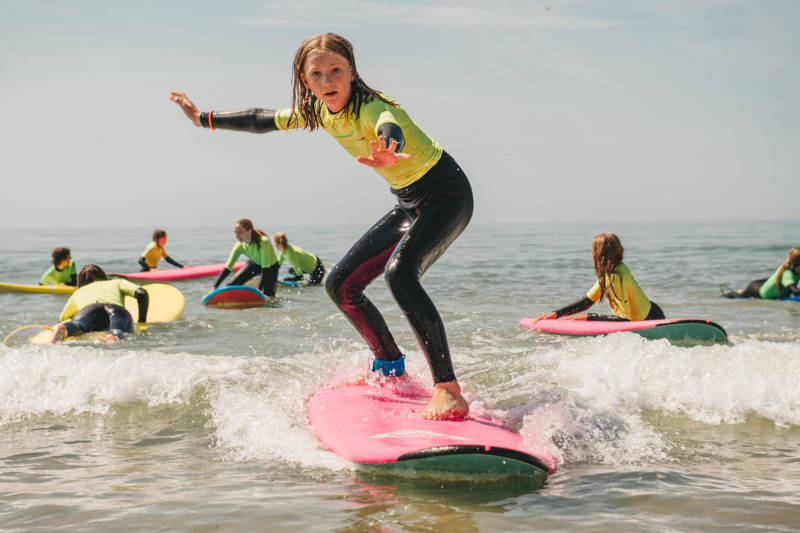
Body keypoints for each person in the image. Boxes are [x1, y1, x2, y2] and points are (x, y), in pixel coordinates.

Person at [170, 33, 473, 420]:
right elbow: (262, 119)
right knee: (340, 285)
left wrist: (389, 147)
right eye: (318, 74)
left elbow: (388, 125)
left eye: (336, 71)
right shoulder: (316, 111)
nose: (328, 80)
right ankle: (390, 368)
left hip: (447, 194)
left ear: (351, 73)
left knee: (400, 274)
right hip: (410, 203)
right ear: (304, 79)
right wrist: (202, 119)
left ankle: (447, 389)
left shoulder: (372, 107)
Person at [534, 232, 665, 323]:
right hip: (650, 313)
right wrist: (557, 314)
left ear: (598, 255)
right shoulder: (610, 273)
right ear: (619, 251)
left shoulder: (617, 277)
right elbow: (587, 301)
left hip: (650, 319)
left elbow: (624, 320)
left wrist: (587, 318)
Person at [51, 264, 148, 344]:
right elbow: (141, 293)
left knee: (79, 325)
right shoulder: (116, 282)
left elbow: (61, 318)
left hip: (89, 310)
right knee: (117, 331)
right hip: (116, 309)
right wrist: (142, 322)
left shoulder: (78, 292)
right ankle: (113, 337)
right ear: (103, 276)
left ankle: (67, 329)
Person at [213, 219, 279, 297]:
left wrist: (258, 291)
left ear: (249, 231)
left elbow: (265, 268)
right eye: (235, 232)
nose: (236, 235)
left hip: (270, 268)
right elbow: (228, 267)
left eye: (239, 232)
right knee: (230, 287)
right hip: (254, 264)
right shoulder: (240, 245)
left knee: (268, 295)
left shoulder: (263, 242)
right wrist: (214, 287)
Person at [720, 247, 800, 299]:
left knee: (743, 293)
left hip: (762, 284)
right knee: (740, 297)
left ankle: (741, 291)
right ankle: (725, 295)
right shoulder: (788, 274)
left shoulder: (794, 269)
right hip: (759, 292)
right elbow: (795, 291)